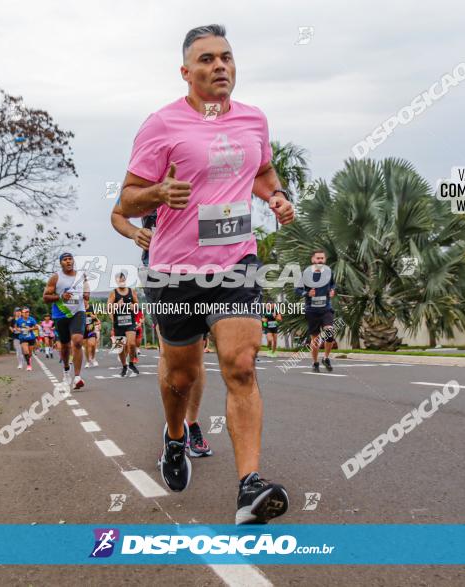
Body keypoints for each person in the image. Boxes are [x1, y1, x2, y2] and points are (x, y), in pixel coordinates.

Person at [116, 24, 294, 524]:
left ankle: (249, 487)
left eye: (226, 58)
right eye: (208, 60)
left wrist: (277, 197)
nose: (220, 67)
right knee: (182, 376)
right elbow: (128, 197)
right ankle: (175, 439)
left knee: (240, 364)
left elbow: (262, 172)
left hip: (236, 261)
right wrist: (157, 195)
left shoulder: (254, 120)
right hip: (174, 270)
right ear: (187, 72)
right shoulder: (162, 125)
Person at [110, 204, 213, 457]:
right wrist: (135, 232)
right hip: (160, 269)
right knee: (169, 351)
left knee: (197, 350)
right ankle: (175, 435)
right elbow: (118, 213)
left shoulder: (200, 171)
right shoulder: (149, 173)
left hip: (200, 266)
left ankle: (192, 423)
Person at [42, 252, 90, 390]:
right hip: (61, 314)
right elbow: (45, 297)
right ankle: (66, 371)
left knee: (78, 341)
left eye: (70, 259)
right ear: (61, 263)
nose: (68, 261)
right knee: (64, 346)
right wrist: (60, 297)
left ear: (73, 261)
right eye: (65, 260)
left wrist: (87, 295)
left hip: (78, 312)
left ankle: (77, 377)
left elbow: (86, 290)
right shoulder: (56, 278)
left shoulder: (82, 276)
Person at [295, 249, 336, 373]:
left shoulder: (329, 272)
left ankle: (326, 358)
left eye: (322, 258)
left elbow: (333, 285)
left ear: (325, 260)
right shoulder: (306, 274)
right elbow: (297, 289)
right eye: (317, 258)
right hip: (312, 310)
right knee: (316, 339)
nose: (320, 260)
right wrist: (307, 293)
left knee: (329, 332)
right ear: (313, 260)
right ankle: (315, 362)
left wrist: (333, 290)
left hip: (326, 309)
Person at [108, 272, 140, 378]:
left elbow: (137, 304)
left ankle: (131, 363)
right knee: (120, 348)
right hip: (118, 323)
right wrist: (117, 305)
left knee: (131, 344)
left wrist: (133, 306)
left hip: (130, 322)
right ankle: (124, 366)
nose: (121, 281)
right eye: (119, 280)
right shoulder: (113, 293)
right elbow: (108, 308)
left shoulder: (132, 291)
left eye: (123, 279)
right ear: (116, 281)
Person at [15, 307, 39, 371]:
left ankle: (28, 358)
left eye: (27, 312)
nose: (26, 313)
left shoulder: (31, 319)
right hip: (23, 338)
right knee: (26, 351)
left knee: (30, 353)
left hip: (31, 337)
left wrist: (30, 329)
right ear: (22, 313)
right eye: (25, 312)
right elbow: (16, 327)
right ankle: (29, 365)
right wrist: (19, 329)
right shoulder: (19, 320)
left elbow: (36, 327)